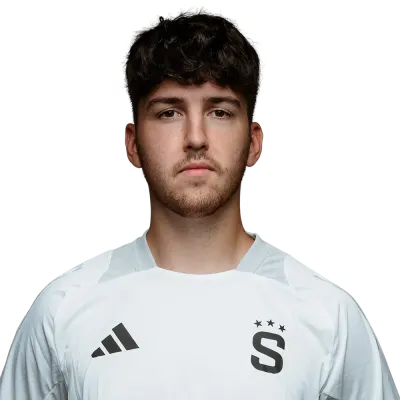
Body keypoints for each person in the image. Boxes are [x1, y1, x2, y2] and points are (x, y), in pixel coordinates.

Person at [0, 5, 398, 399]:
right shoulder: (63, 311)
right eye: (169, 112)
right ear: (133, 144)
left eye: (219, 112)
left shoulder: (329, 318)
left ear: (253, 143)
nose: (195, 138)